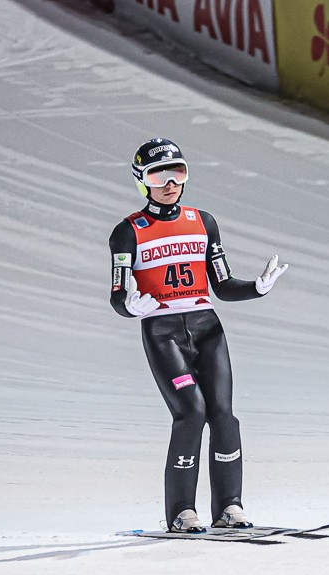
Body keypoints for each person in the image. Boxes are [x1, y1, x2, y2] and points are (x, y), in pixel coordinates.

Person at [109, 138, 288, 534]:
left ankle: (229, 506)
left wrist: (256, 287)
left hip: (207, 328)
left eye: (178, 172)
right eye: (159, 175)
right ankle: (181, 511)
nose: (170, 183)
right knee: (191, 412)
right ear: (142, 181)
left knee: (223, 415)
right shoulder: (128, 232)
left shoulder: (203, 222)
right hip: (163, 332)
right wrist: (130, 307)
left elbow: (222, 285)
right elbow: (118, 294)